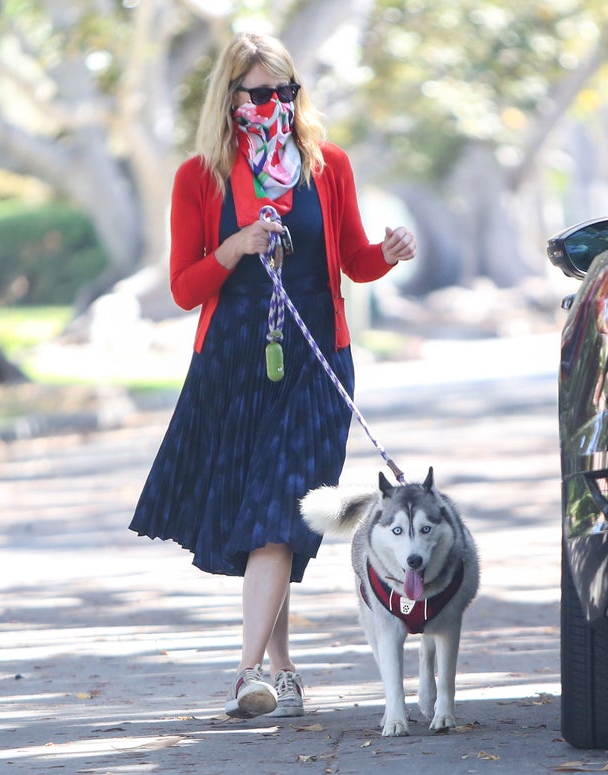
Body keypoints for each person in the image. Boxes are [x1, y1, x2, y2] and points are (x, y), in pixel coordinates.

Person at [129, 31, 416, 720]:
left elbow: (352, 259)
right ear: (229, 98)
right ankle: (283, 668)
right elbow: (184, 288)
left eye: (286, 91)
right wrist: (235, 245)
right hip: (235, 365)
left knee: (282, 511)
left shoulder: (328, 164)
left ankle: (247, 671)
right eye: (260, 93)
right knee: (268, 519)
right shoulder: (200, 177)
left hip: (318, 365)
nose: (275, 105)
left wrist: (387, 253)